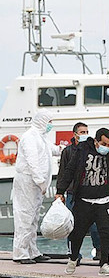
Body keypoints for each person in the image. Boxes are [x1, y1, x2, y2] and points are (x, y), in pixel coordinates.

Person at [56, 128, 109, 276]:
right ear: (96, 141)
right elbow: (70, 170)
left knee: (107, 232)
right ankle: (73, 258)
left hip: (104, 200)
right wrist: (60, 191)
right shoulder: (82, 150)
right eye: (103, 143)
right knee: (77, 233)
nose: (107, 146)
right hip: (83, 200)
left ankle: (105, 264)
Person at [12, 110, 58, 264]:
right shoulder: (30, 137)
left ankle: (32, 251)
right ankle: (20, 253)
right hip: (28, 181)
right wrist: (40, 181)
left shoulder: (41, 137)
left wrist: (63, 149)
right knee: (25, 216)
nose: (51, 125)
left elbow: (51, 150)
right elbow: (33, 162)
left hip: (35, 184)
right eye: (50, 121)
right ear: (42, 121)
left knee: (33, 218)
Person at [58, 122, 98, 263]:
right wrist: (60, 192)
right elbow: (63, 172)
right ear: (75, 134)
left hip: (88, 191)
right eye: (82, 132)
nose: (85, 134)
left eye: (87, 131)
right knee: (71, 223)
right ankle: (74, 254)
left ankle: (98, 250)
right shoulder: (68, 151)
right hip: (72, 193)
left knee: (93, 223)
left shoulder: (91, 149)